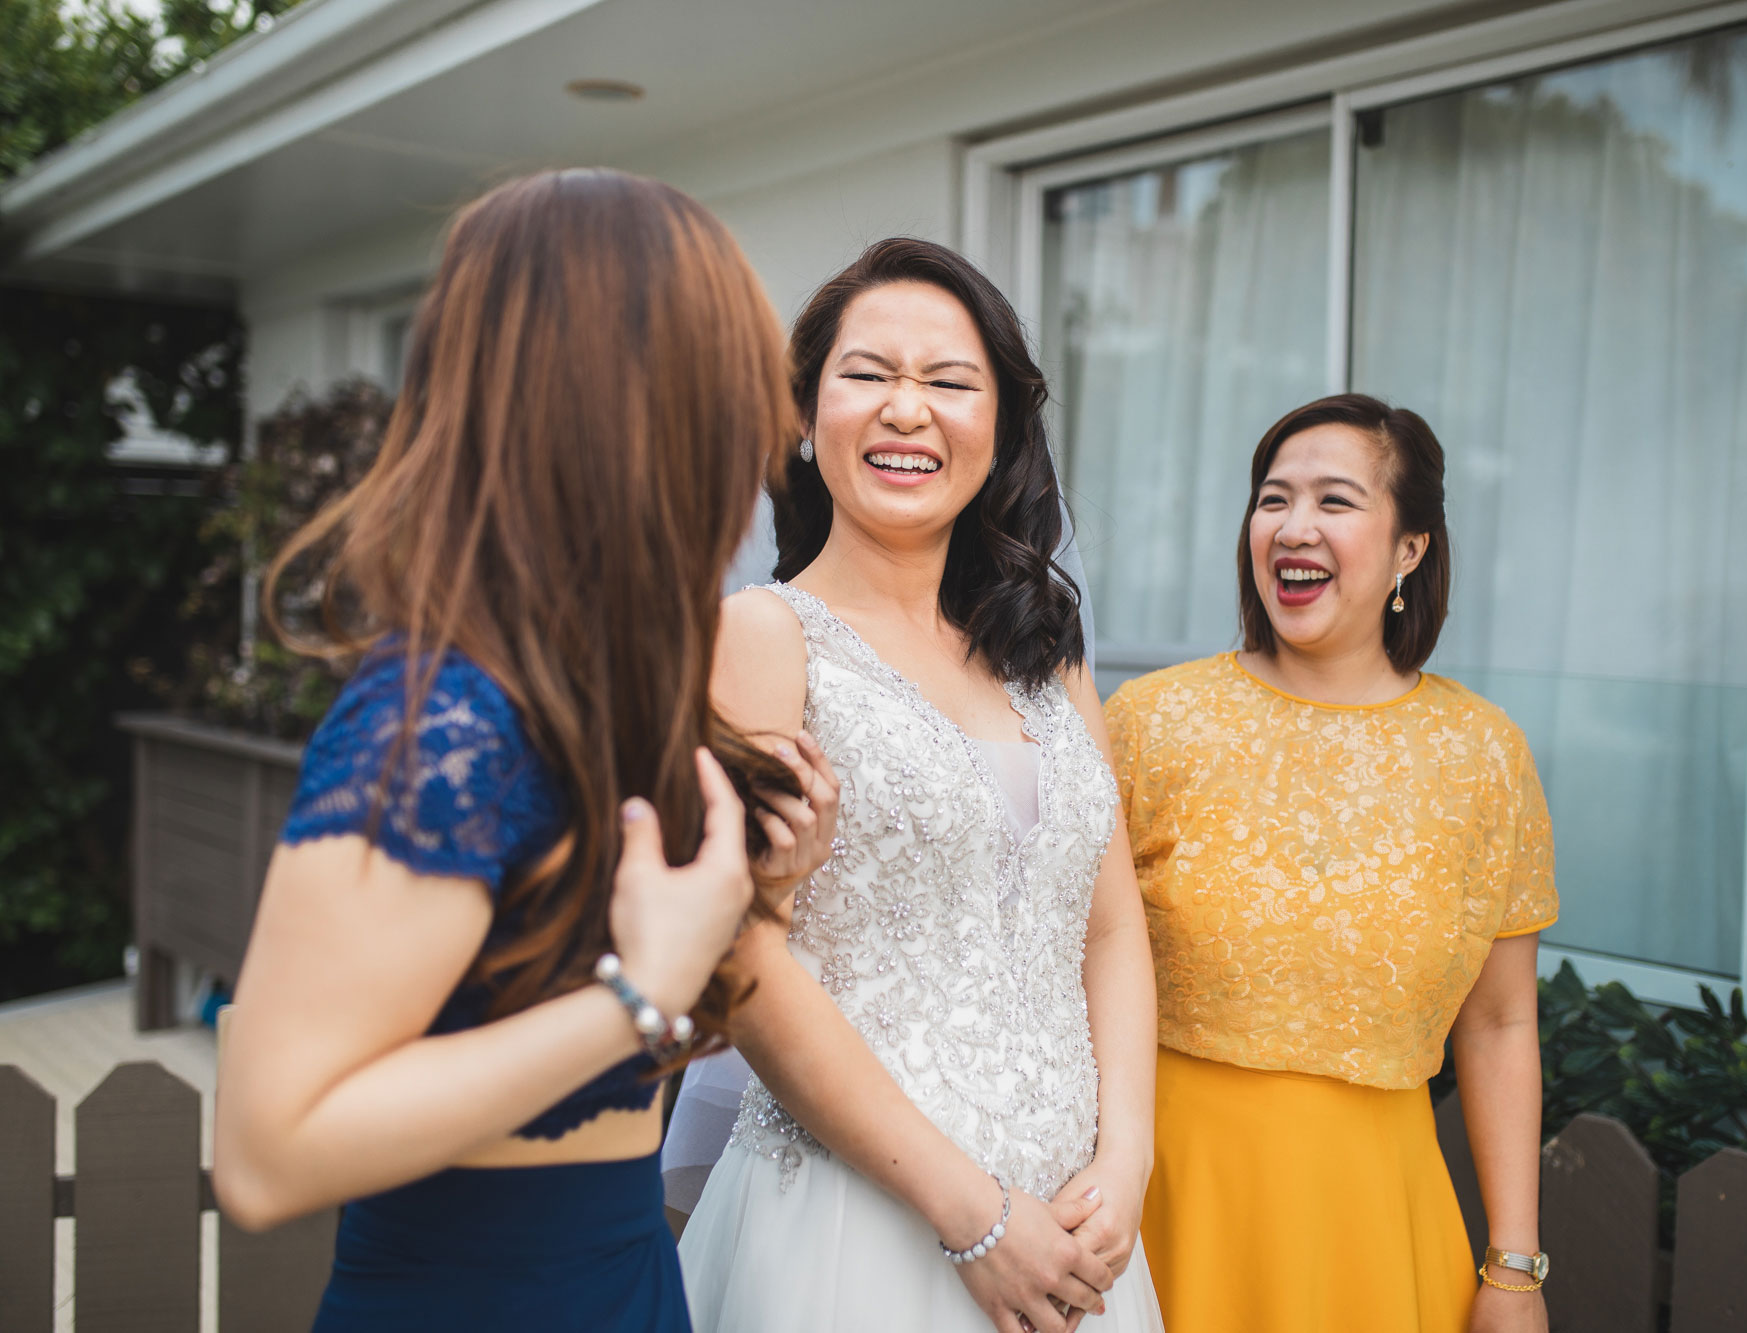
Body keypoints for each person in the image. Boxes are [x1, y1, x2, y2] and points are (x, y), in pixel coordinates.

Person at [211, 168, 818, 1333]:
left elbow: (613, 1056)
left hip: (627, 1280)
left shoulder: (602, 695)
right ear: (639, 414)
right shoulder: (438, 721)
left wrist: (757, 903)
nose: (762, 445)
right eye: (731, 395)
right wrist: (634, 993)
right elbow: (264, 1150)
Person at [676, 237, 1166, 1333]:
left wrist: (1126, 1157)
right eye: (868, 375)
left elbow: (1110, 927)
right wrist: (972, 1216)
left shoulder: (1047, 644)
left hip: (1075, 1230)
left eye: (948, 382)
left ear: (998, 430)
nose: (908, 409)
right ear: (806, 417)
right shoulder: (762, 637)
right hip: (859, 1228)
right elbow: (742, 952)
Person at [1106, 394, 1557, 1333]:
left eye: (1335, 501)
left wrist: (1514, 1270)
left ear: (1410, 549)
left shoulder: (1484, 755)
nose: (1293, 526)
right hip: (1158, 1199)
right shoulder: (1149, 724)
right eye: (1273, 499)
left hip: (1377, 1221)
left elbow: (1502, 1023)